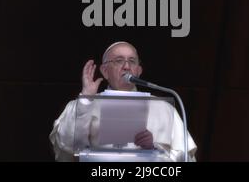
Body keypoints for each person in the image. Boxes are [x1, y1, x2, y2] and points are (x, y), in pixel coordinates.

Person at [49, 41, 197, 162]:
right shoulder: (83, 104)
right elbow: (66, 149)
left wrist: (153, 149)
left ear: (139, 70)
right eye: (119, 61)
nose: (126, 66)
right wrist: (87, 98)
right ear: (105, 71)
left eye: (132, 61)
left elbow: (186, 159)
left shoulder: (164, 108)